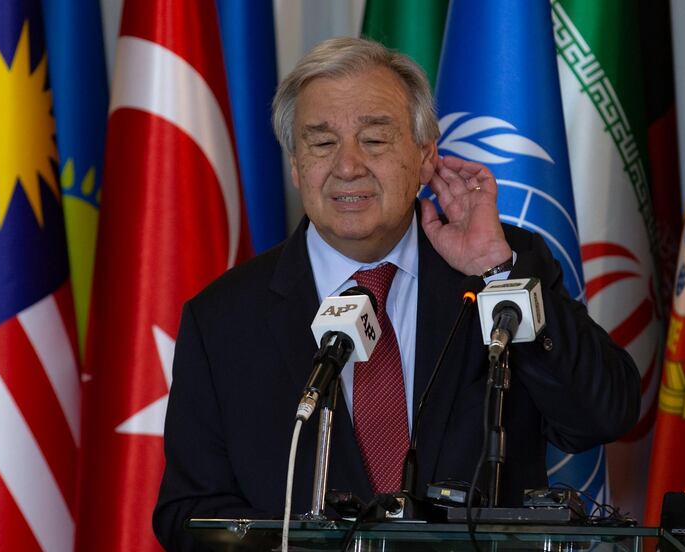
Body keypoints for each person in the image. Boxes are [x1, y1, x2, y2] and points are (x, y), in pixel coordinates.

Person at [153, 37, 640, 550]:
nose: (347, 166)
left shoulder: (503, 266)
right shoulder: (223, 319)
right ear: (296, 166)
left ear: (426, 156)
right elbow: (189, 515)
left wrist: (494, 271)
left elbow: (602, 414)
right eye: (321, 143)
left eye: (375, 139)